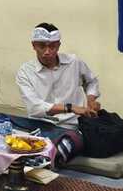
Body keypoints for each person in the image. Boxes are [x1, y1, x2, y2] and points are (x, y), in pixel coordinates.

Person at [13, 22, 100, 164]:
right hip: (39, 124)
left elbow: (92, 81)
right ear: (33, 45)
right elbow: (35, 108)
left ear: (58, 45)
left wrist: (91, 100)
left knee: (64, 145)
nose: (47, 52)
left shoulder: (74, 62)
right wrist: (70, 107)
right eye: (42, 46)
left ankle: (41, 155)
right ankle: (37, 152)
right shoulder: (25, 71)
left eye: (52, 46)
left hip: (70, 126)